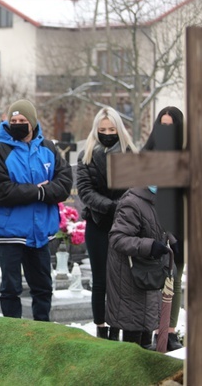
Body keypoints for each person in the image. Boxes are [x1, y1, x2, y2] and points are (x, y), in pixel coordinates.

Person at [0, 99, 72, 321]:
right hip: (9, 232)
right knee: (10, 289)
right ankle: (12, 334)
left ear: (32, 122)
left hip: (39, 232)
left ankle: (43, 332)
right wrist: (38, 191)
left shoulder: (49, 149)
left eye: (22, 120)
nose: (17, 124)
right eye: (13, 120)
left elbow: (63, 183)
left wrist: (42, 191)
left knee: (43, 287)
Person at [75, 107, 136, 340]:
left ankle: (118, 325)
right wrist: (110, 206)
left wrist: (121, 207)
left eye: (111, 129)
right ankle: (101, 327)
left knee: (122, 280)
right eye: (102, 130)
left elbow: (135, 187)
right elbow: (85, 191)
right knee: (100, 278)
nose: (107, 133)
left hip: (125, 224)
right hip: (98, 223)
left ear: (119, 129)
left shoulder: (130, 154)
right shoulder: (87, 155)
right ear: (96, 130)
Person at [106, 186, 173, 347]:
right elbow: (118, 238)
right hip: (131, 276)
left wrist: (173, 239)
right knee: (133, 332)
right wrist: (149, 246)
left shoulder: (159, 199)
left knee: (147, 327)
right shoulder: (132, 202)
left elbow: (158, 227)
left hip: (148, 273)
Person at [141, 106, 185, 351]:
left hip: (181, 224)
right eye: (163, 124)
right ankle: (149, 329)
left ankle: (168, 331)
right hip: (153, 223)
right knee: (152, 278)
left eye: (171, 125)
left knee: (175, 278)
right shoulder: (147, 154)